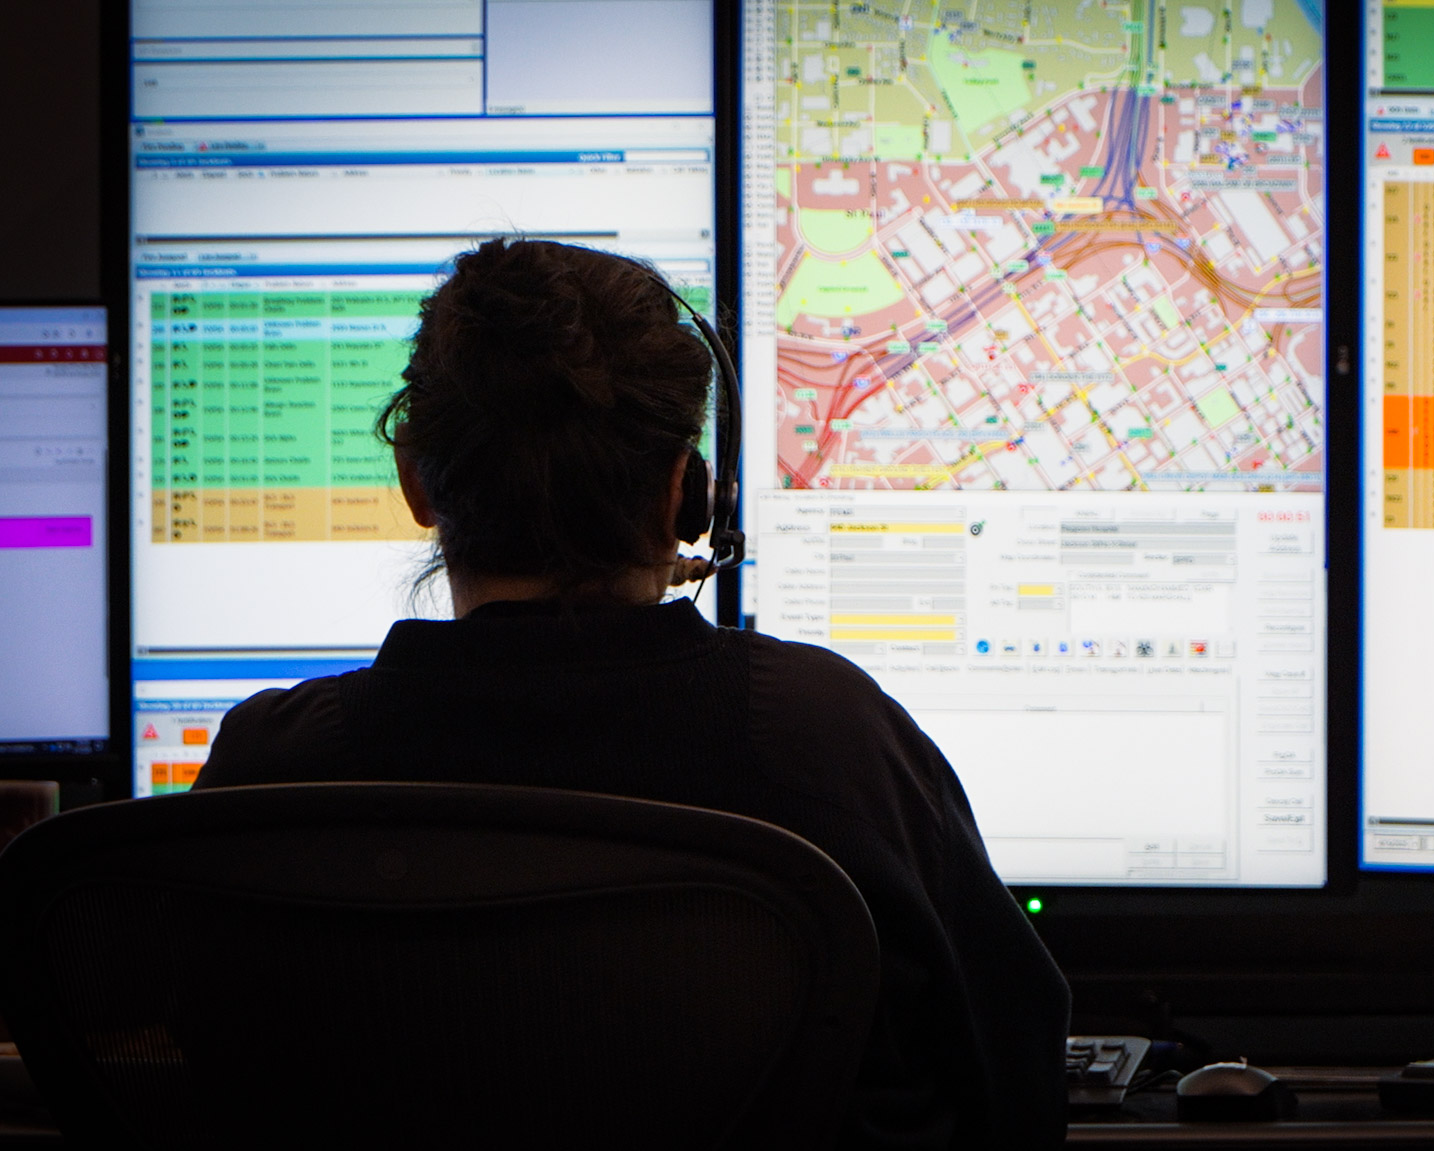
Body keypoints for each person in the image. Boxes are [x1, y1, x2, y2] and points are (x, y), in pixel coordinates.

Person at [195, 238, 1071, 1148]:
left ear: (416, 481)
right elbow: (1014, 1069)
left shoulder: (274, 771)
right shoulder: (831, 738)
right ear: (683, 496)